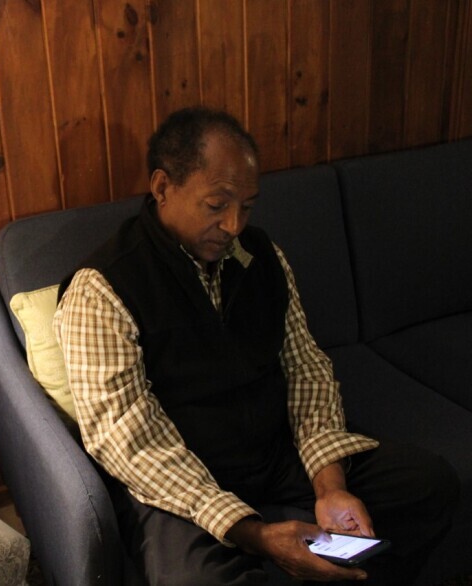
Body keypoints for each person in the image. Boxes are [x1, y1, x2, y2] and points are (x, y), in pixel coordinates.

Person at [53, 107, 459, 585]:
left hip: (272, 452)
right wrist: (256, 534)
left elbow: (307, 369)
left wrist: (330, 486)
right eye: (216, 205)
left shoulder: (260, 257)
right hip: (182, 481)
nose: (233, 225)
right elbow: (131, 443)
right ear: (163, 188)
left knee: (428, 484)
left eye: (246, 206)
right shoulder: (102, 290)